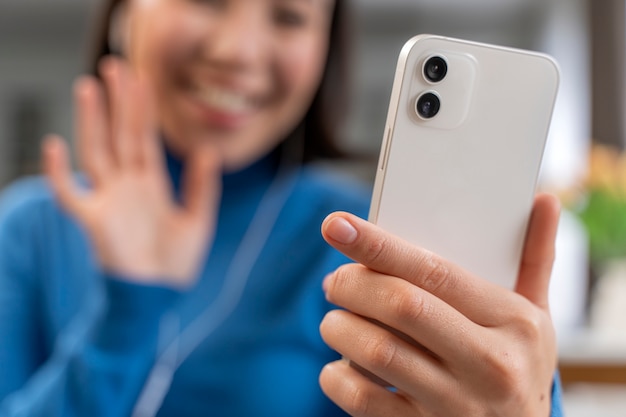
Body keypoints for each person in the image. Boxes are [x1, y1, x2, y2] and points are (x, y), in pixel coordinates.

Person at [0, 0, 564, 416]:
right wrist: (127, 311)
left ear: (325, 49)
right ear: (123, 15)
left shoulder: (373, 240)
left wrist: (526, 399)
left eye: (290, 16)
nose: (237, 52)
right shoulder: (29, 229)